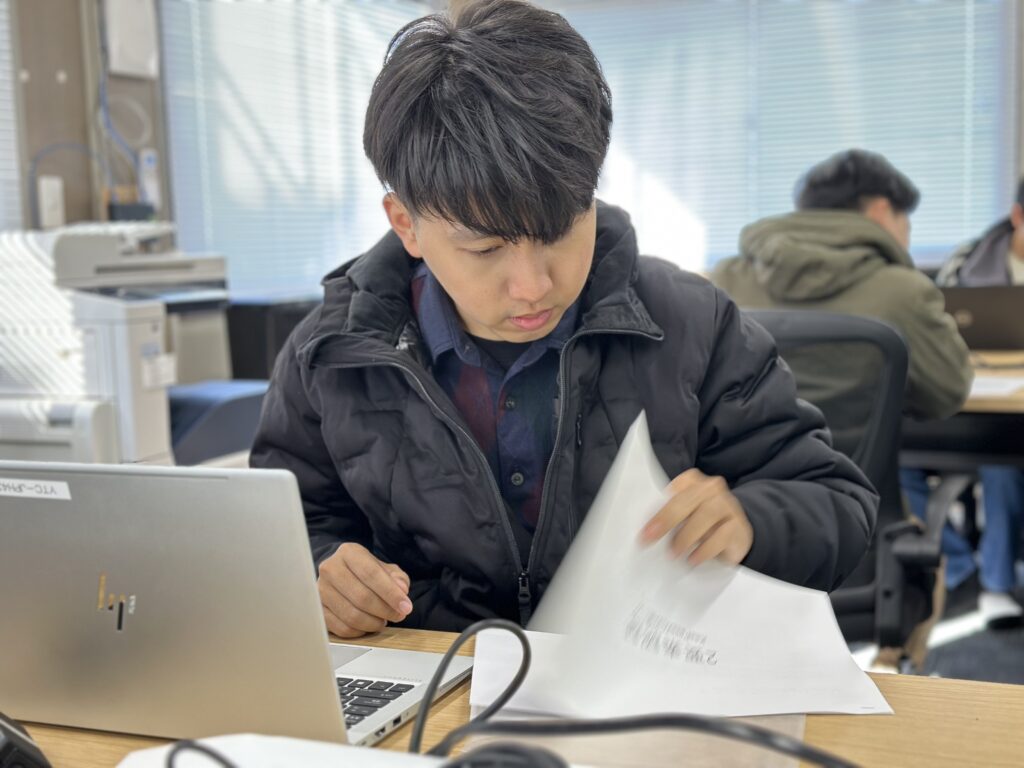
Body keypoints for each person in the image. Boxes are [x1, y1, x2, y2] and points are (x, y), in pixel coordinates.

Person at [250, 0, 876, 638]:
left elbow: (838, 503)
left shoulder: (693, 322)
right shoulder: (331, 354)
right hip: (438, 678)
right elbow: (281, 529)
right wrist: (322, 571)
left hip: (638, 674)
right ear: (406, 224)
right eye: (485, 249)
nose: (533, 287)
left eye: (558, 232)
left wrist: (752, 521)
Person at [710, 149, 973, 667]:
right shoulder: (902, 292)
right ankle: (893, 672)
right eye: (906, 222)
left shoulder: (725, 279)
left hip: (733, 534)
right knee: (928, 548)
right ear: (880, 211)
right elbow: (948, 394)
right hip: (861, 538)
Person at [928, 178, 1024, 629]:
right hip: (969, 394)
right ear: (1017, 216)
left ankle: (996, 582)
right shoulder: (968, 261)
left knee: (1002, 459)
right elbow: (936, 329)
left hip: (1010, 414)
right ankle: (960, 561)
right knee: (896, 463)